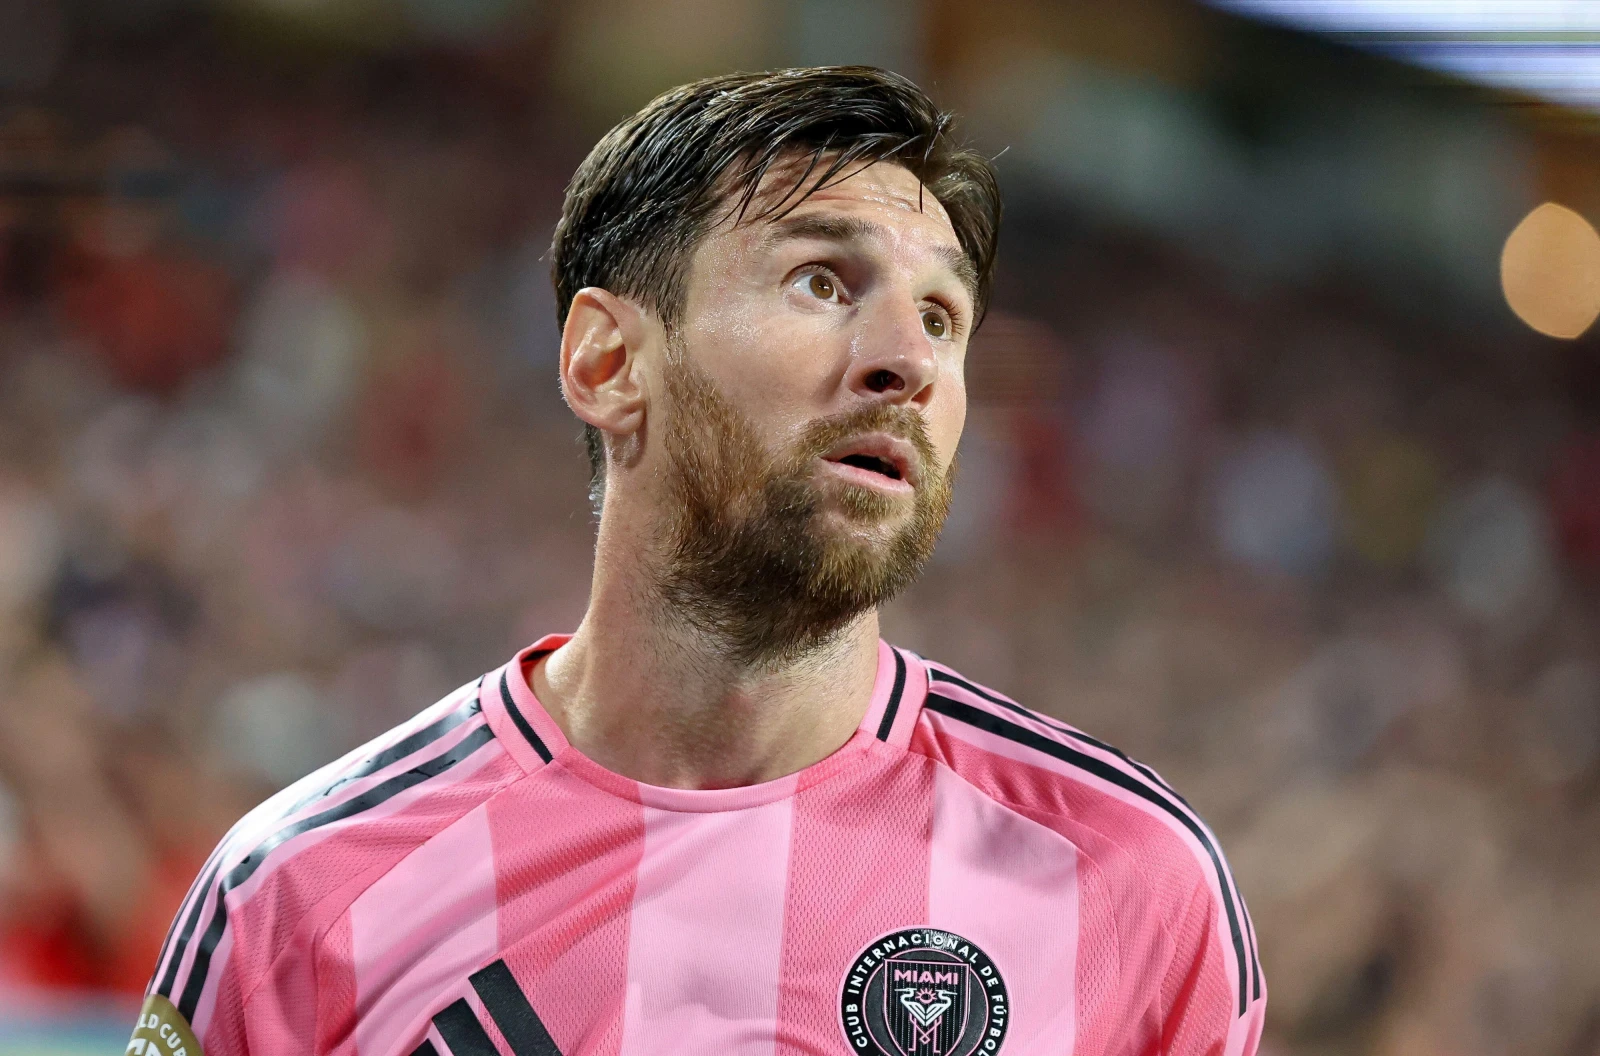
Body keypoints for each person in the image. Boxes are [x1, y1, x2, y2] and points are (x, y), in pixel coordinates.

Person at [129, 66, 1265, 1056]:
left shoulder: (1128, 881)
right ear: (608, 361)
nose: (906, 362)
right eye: (825, 281)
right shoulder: (300, 893)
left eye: (942, 318)